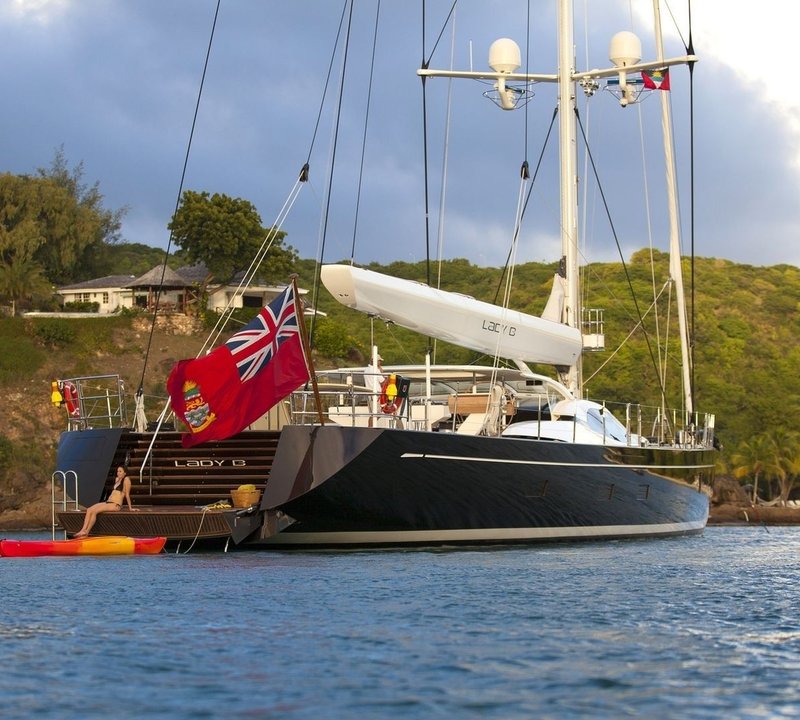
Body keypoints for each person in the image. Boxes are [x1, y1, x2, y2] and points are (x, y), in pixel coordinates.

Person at [73, 465, 137, 538]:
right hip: (109, 502)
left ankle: (86, 532)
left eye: (120, 471)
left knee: (95, 511)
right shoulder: (117, 479)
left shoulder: (126, 480)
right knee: (89, 509)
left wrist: (130, 508)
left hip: (115, 504)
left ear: (125, 473)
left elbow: (127, 495)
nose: (118, 473)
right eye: (117, 471)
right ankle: (83, 530)